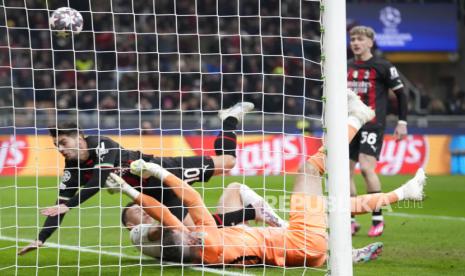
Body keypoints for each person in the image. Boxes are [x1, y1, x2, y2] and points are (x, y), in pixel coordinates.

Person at [104, 92, 426, 266]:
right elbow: (180, 212)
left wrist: (135, 190)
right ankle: (357, 120)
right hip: (230, 227)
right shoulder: (158, 231)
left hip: (240, 238)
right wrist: (143, 183)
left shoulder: (182, 230)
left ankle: (228, 119)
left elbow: (174, 212)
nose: (144, 213)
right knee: (318, 190)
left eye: (142, 211)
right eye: (138, 217)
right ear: (135, 228)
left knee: (232, 176)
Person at [18, 102, 258, 255]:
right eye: (56, 145)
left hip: (163, 171)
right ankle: (251, 212)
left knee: (227, 162)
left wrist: (69, 204)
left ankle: (228, 119)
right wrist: (41, 239)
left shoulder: (101, 143)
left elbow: (99, 180)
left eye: (63, 143)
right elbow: (59, 209)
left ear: (80, 137)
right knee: (195, 231)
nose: (61, 149)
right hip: (154, 193)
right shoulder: (72, 170)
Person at [347, 25, 408, 237]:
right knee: (343, 173)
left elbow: (402, 94)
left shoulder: (382, 66)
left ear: (370, 42)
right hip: (349, 125)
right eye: (353, 39)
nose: (355, 42)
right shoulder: (345, 67)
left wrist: (402, 123)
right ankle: (351, 220)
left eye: (360, 39)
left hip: (372, 123)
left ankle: (377, 219)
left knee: (365, 168)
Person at [121, 182, 287, 259]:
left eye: (143, 207)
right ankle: (283, 229)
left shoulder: (170, 222)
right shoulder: (136, 235)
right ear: (130, 225)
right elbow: (162, 226)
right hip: (227, 245)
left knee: (234, 188)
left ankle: (283, 226)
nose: (144, 211)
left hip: (221, 238)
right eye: (137, 210)